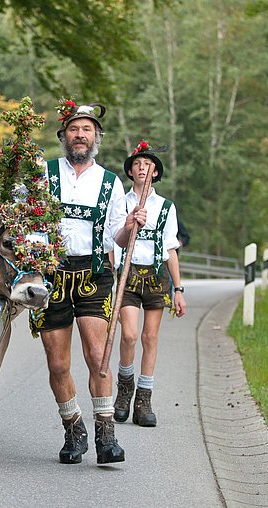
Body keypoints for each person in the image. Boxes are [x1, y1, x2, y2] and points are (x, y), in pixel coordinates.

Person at [31, 99, 137, 465]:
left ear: (97, 137)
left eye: (86, 129)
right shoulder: (44, 175)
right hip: (51, 276)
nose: (80, 135)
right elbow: (25, 220)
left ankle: (106, 434)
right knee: (58, 364)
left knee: (98, 357)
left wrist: (129, 226)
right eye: (74, 129)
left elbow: (117, 239)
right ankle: (73, 429)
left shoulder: (110, 182)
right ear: (64, 136)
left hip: (94, 275)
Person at [113, 140, 186, 427]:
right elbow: (113, 240)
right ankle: (124, 388)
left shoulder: (166, 207)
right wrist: (130, 223)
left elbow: (170, 250)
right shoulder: (122, 203)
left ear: (156, 173)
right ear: (130, 172)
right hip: (127, 274)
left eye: (148, 165)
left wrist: (178, 290)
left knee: (150, 338)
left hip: (156, 276)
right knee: (130, 335)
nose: (142, 168)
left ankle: (144, 399)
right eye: (137, 165)